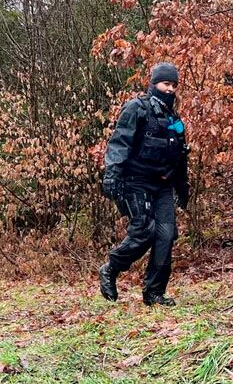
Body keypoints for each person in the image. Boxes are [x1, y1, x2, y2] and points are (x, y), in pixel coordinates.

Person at [98, 62, 190, 307]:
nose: (170, 89)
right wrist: (111, 175)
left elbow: (180, 157)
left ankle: (154, 293)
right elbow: (119, 143)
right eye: (165, 84)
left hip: (163, 186)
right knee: (144, 231)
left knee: (166, 235)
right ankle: (111, 268)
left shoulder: (174, 118)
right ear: (154, 84)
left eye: (174, 85)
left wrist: (183, 189)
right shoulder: (136, 108)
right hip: (135, 181)